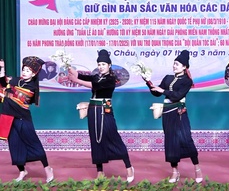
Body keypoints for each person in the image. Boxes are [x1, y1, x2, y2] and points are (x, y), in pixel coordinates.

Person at [68, 49, 134, 182]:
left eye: (103, 64)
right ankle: (100, 172)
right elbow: (82, 76)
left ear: (109, 65)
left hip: (105, 110)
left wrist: (76, 80)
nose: (101, 67)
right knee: (95, 139)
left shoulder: (111, 79)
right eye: (99, 64)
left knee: (113, 137)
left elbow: (95, 86)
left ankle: (129, 167)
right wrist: (70, 68)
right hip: (93, 110)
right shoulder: (97, 76)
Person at [145, 50, 203, 183]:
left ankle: (197, 168)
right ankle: (175, 172)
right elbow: (156, 94)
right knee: (170, 142)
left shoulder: (187, 81)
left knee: (186, 139)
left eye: (177, 64)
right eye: (174, 63)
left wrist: (163, 90)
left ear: (184, 67)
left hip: (179, 113)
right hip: (167, 113)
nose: (174, 66)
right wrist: (148, 82)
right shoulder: (167, 78)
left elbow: (177, 96)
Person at [0, 56, 54, 183]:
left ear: (34, 73)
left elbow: (20, 98)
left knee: (34, 144)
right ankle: (22, 171)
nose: (25, 72)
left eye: (28, 71)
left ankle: (48, 169)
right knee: (15, 146)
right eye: (24, 69)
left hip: (23, 119)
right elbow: (3, 83)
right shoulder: (15, 80)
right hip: (10, 118)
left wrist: (4, 93)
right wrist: (2, 70)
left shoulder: (31, 87)